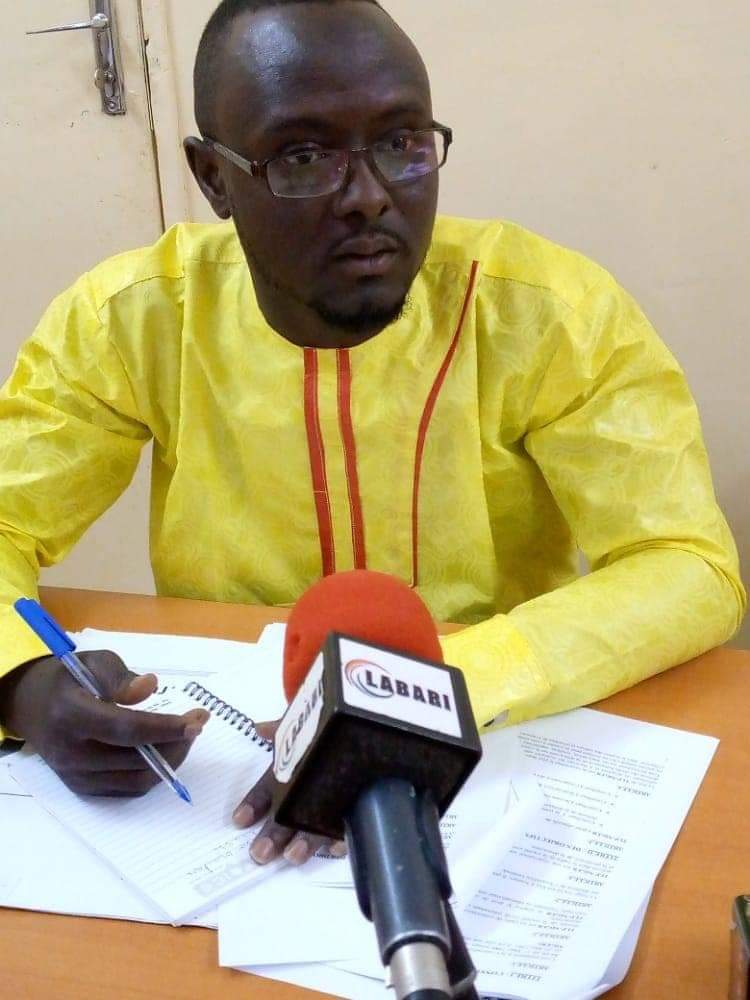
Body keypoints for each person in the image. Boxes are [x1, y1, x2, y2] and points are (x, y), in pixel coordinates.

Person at [0, 0, 744, 869]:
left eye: (401, 142)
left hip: (498, 743)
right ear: (213, 179)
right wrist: (21, 682)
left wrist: (436, 688)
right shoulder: (131, 319)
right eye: (303, 157)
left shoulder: (549, 314)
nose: (369, 196)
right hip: (227, 766)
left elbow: (688, 567)